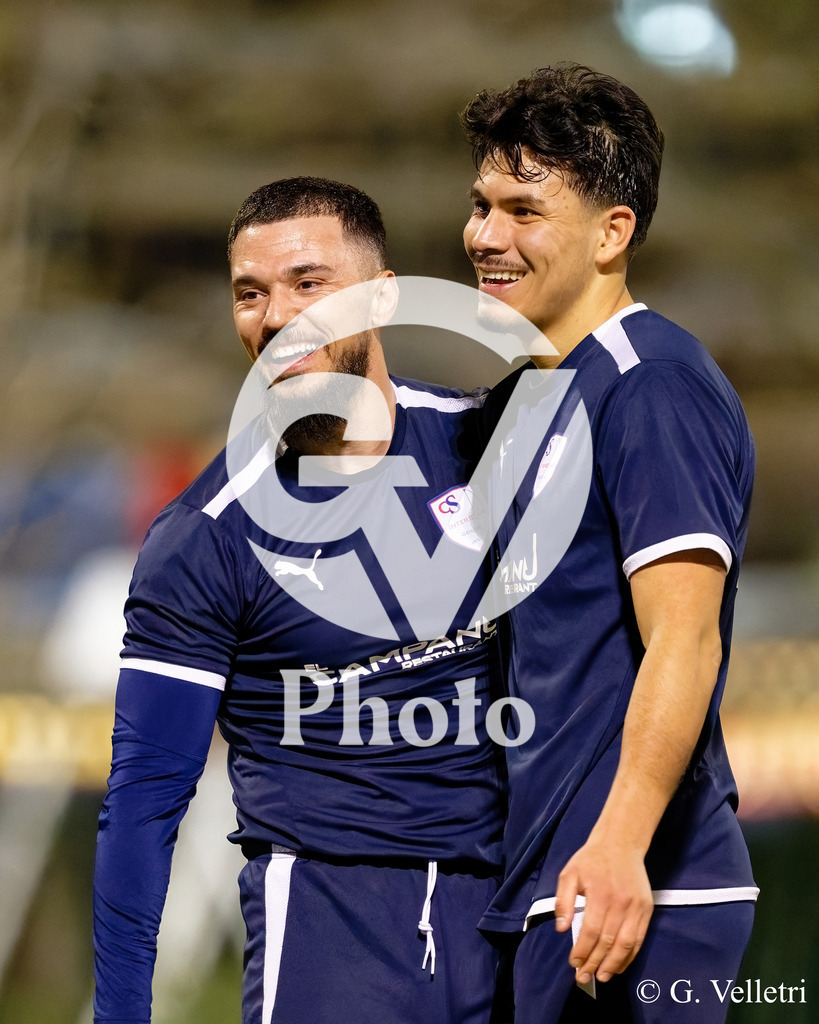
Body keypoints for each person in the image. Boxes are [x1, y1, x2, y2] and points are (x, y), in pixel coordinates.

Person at [92, 177, 504, 1024]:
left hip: (514, 922)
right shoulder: (205, 536)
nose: (277, 318)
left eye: (309, 283)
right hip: (330, 934)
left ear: (382, 295)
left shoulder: (493, 451)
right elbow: (142, 801)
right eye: (250, 293)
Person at [460, 65, 758, 1022]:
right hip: (553, 884)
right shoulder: (532, 398)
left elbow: (685, 637)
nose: (485, 236)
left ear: (611, 232)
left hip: (637, 892)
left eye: (522, 208)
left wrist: (623, 844)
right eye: (479, 205)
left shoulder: (650, 384)